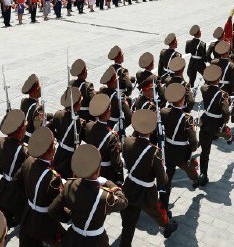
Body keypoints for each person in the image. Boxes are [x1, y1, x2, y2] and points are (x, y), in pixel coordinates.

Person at [48, 144, 128, 246]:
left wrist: (70, 218)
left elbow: (52, 210)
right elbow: (123, 202)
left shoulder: (69, 185)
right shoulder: (104, 196)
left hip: (73, 238)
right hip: (96, 241)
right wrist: (108, 183)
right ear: (98, 170)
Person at [119, 109, 178, 246]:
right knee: (158, 212)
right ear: (151, 131)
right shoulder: (154, 152)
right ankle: (167, 226)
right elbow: (162, 180)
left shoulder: (127, 141)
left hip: (130, 186)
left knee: (128, 224)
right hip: (147, 191)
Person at [19, 126, 65, 246]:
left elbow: (17, 183)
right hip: (45, 222)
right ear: (50, 151)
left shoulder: (28, 161)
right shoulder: (53, 178)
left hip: (28, 215)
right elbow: (58, 204)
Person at [0, 109, 28, 228]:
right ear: (19, 131)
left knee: (1, 223)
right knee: (25, 223)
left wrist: (3, 170)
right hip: (17, 194)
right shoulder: (24, 151)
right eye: (24, 126)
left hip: (3, 190)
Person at [160, 83, 199, 206]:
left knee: (167, 179)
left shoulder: (163, 111)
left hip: (168, 150)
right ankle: (195, 180)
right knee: (189, 168)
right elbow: (193, 143)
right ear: (182, 100)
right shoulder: (187, 118)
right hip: (182, 153)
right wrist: (193, 146)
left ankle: (164, 204)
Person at [197, 64, 234, 186]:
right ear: (219, 79)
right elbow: (225, 113)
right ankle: (229, 136)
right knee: (224, 131)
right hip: (216, 125)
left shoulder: (203, 89)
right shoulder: (222, 94)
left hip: (205, 123)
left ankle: (203, 174)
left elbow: (206, 87)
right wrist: (225, 118)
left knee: (205, 152)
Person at [83, 93, 124, 184]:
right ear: (108, 112)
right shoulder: (112, 136)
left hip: (90, 168)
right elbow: (116, 162)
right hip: (105, 172)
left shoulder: (89, 126)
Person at [48, 86, 84, 179]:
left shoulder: (58, 114)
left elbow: (49, 128)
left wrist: (58, 137)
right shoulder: (78, 122)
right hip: (70, 156)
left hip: (60, 151)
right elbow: (78, 141)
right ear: (76, 105)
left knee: (57, 174)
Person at [20, 74, 44, 142]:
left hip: (22, 136)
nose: (40, 89)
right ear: (35, 91)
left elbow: (31, 115)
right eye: (39, 87)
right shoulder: (39, 108)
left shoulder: (23, 101)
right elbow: (38, 129)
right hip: (31, 140)